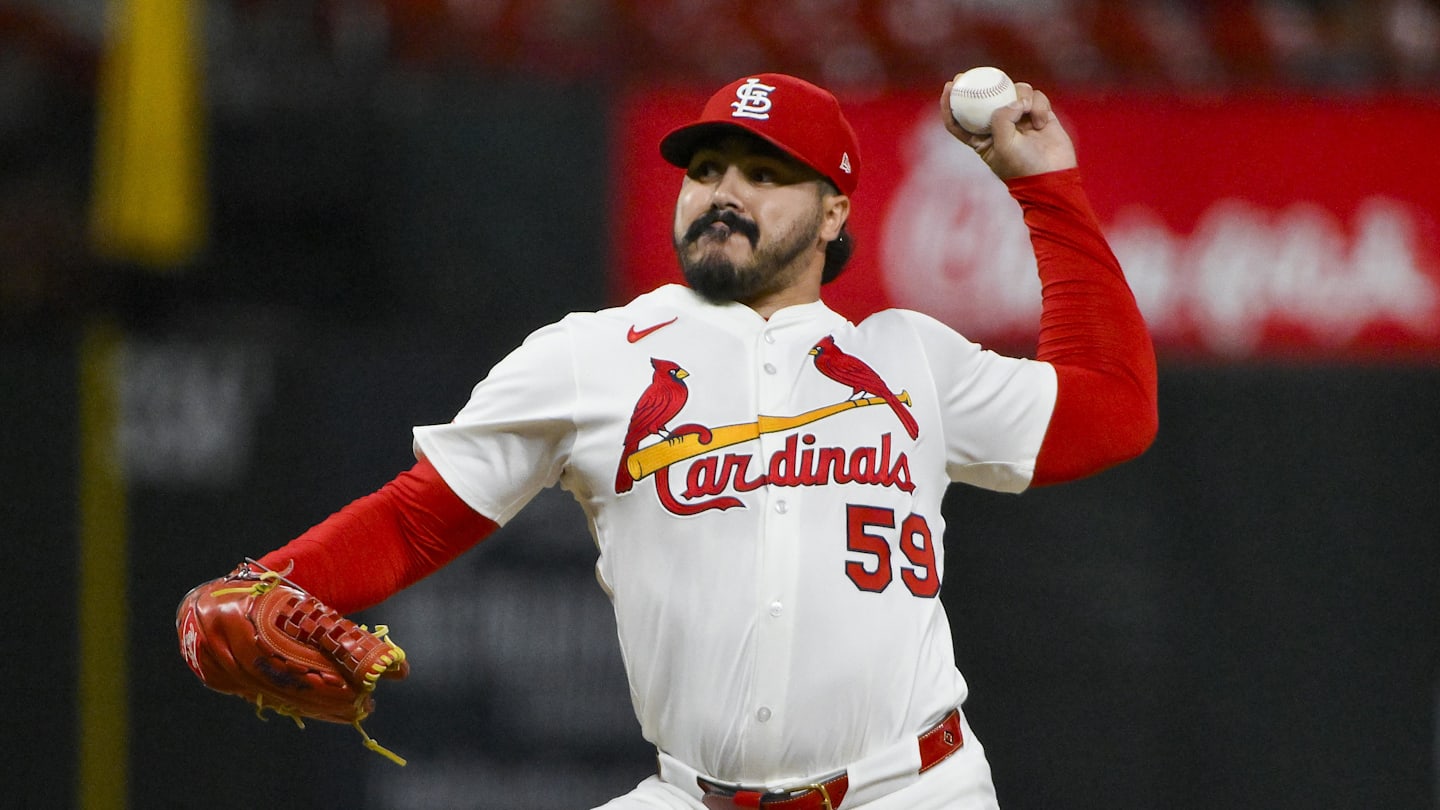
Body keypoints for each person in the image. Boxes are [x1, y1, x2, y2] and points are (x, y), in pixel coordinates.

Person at [220, 72, 1157, 808]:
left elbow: (1111, 408)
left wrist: (1046, 190)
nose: (724, 191)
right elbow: (418, 520)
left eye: (763, 173)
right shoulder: (593, 356)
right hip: (695, 797)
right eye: (706, 169)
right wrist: (266, 582)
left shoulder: (910, 358)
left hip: (914, 790)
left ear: (835, 211)